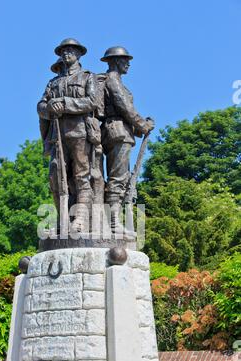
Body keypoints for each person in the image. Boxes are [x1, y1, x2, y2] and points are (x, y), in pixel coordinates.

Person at [37, 38, 98, 232]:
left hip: (79, 132)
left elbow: (92, 102)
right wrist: (49, 108)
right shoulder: (53, 82)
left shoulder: (87, 77)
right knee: (56, 176)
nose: (66, 54)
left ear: (79, 54)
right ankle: (62, 218)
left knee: (81, 175)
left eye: (71, 50)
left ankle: (80, 218)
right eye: (63, 51)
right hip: (57, 135)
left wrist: (65, 103)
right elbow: (40, 106)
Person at [100, 46, 155, 234]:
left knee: (122, 177)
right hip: (117, 131)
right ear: (115, 61)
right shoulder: (112, 81)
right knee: (118, 177)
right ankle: (113, 221)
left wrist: (139, 127)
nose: (128, 64)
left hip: (121, 131)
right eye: (125, 60)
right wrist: (142, 125)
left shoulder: (116, 81)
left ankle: (114, 219)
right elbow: (124, 107)